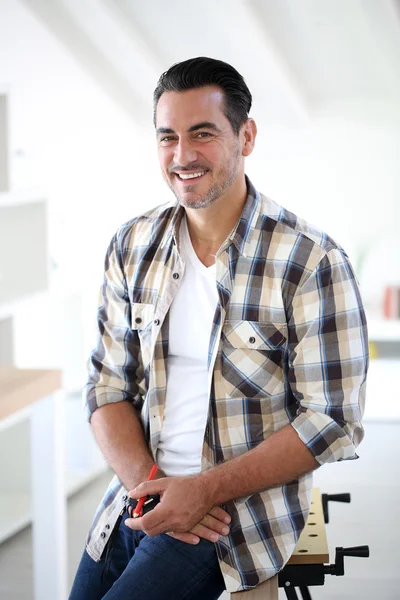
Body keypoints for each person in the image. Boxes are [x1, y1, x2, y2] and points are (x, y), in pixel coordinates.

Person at [69, 57, 368, 600]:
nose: (182, 156)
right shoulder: (131, 246)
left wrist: (202, 491)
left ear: (246, 135)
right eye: (168, 137)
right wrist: (152, 490)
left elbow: (333, 420)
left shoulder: (311, 261)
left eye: (202, 134)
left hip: (235, 519)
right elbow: (106, 386)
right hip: (139, 495)